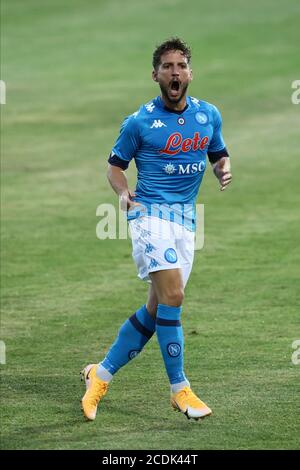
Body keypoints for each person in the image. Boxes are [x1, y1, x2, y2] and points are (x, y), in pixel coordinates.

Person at [81, 37, 232, 421]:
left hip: (186, 222)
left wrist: (222, 169)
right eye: (167, 67)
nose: (175, 72)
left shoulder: (208, 115)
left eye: (180, 65)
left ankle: (100, 374)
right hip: (149, 217)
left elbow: (217, 152)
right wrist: (123, 193)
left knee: (156, 310)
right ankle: (180, 389)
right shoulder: (140, 122)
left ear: (190, 73)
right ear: (155, 75)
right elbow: (115, 165)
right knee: (175, 296)